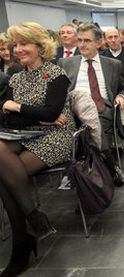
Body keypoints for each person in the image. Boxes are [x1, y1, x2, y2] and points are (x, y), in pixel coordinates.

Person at [0, 22, 76, 276]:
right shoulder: (15, 77)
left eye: (24, 44)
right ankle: (32, 217)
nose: (18, 49)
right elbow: (7, 120)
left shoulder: (56, 75)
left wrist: (15, 106)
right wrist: (39, 117)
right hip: (25, 134)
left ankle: (21, 245)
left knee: (5, 178)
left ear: (40, 47)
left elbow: (53, 113)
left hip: (56, 136)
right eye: (16, 44)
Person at [58, 23, 124, 187]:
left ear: (98, 43)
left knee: (90, 128)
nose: (82, 44)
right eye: (80, 40)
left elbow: (122, 88)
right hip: (73, 109)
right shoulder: (66, 63)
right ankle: (110, 166)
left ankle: (83, 177)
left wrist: (121, 96)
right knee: (85, 130)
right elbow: (59, 92)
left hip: (101, 108)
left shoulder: (112, 64)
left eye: (87, 41)